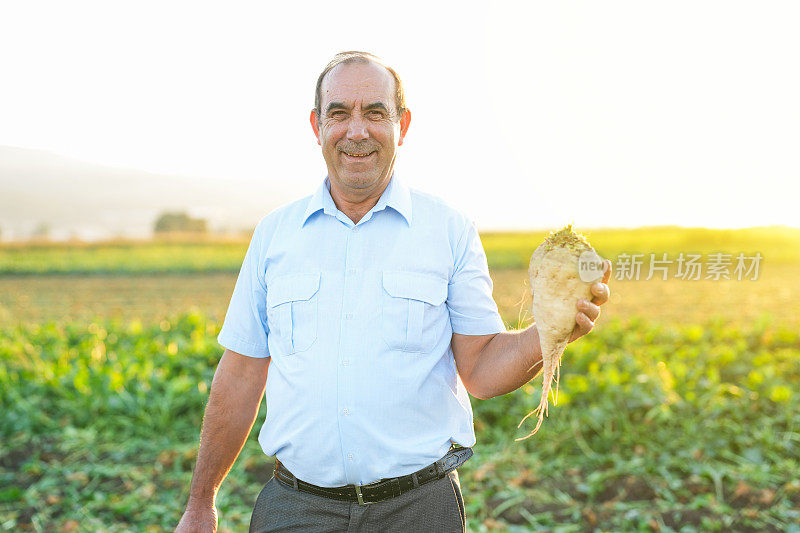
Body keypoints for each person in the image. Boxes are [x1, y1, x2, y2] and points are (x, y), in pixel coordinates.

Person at [175, 51, 611, 533]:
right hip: (297, 511)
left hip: (418, 510)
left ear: (401, 125)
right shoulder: (275, 235)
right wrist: (200, 503)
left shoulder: (448, 229)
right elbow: (239, 375)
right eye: (339, 113)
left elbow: (482, 371)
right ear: (317, 126)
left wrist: (550, 332)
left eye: (375, 113)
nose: (356, 131)